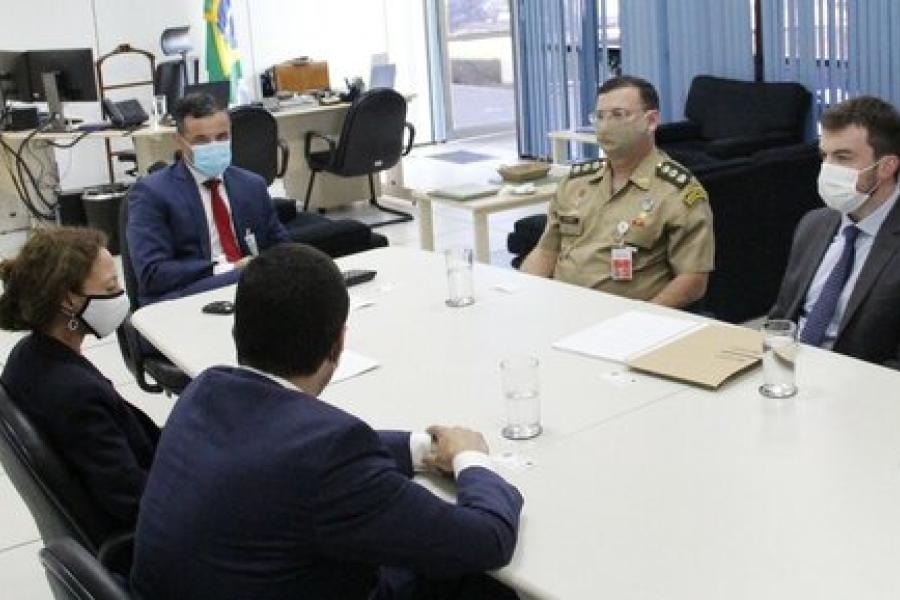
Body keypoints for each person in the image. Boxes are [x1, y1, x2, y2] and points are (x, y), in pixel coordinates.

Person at [130, 243, 523, 600]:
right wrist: (471, 459)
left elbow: (289, 449)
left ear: (237, 329)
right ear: (338, 343)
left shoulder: (204, 390)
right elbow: (487, 538)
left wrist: (420, 448)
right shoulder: (329, 455)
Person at [0, 227, 159, 533]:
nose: (120, 296)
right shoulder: (74, 394)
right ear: (67, 301)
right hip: (153, 539)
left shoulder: (29, 355)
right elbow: (135, 503)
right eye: (111, 287)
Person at [522, 75, 714, 309]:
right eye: (600, 116)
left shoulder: (676, 192)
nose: (605, 126)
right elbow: (546, 252)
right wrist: (522, 296)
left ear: (651, 121)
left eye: (618, 115)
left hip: (629, 318)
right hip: (563, 307)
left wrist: (643, 318)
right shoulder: (576, 181)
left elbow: (693, 280)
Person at [769, 96, 900, 368]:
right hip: (789, 372)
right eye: (824, 156)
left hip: (863, 389)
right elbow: (781, 317)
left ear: (887, 167)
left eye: (842, 158)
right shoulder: (814, 224)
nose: (828, 169)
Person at [127, 92, 289, 306]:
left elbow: (282, 247)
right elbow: (152, 273)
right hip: (186, 293)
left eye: (222, 137)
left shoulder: (251, 185)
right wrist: (229, 269)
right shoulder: (152, 192)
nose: (214, 145)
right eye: (201, 140)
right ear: (179, 142)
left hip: (249, 293)